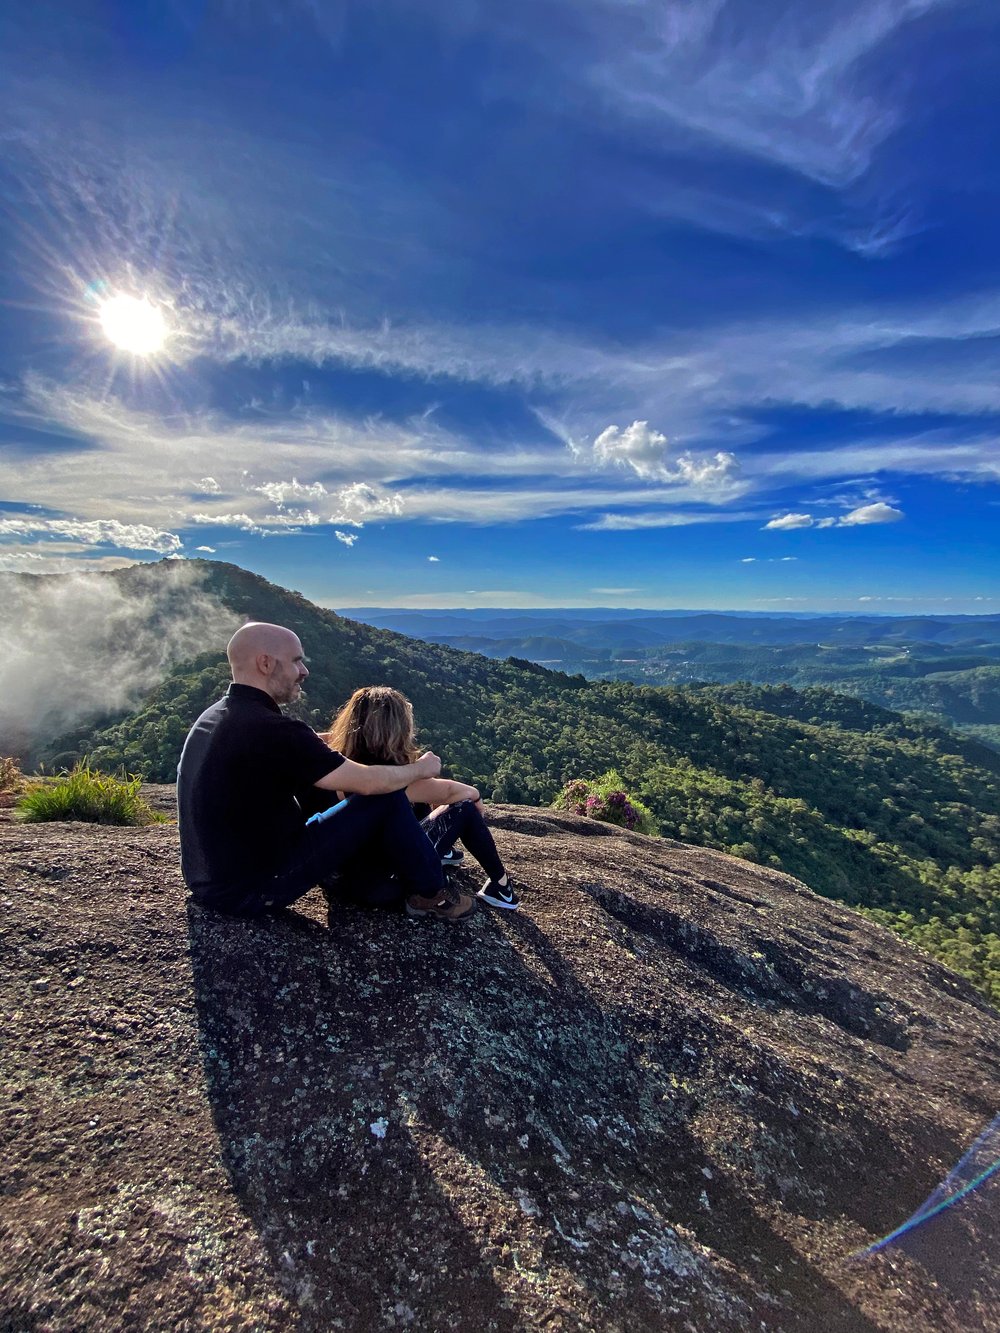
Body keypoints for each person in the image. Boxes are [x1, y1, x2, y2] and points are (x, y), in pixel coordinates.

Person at [176, 623, 475, 922]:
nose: (304, 671)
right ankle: (432, 892)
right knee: (386, 797)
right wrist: (421, 768)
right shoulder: (272, 731)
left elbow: (303, 744)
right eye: (296, 661)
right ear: (265, 663)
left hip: (209, 880)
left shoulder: (218, 717)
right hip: (255, 888)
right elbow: (371, 783)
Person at [319, 685, 520, 911]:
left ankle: (444, 853)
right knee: (464, 808)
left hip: (340, 881)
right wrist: (474, 810)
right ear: (397, 728)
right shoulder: (394, 779)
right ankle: (502, 888)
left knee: (409, 809)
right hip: (385, 886)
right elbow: (461, 794)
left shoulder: (335, 766)